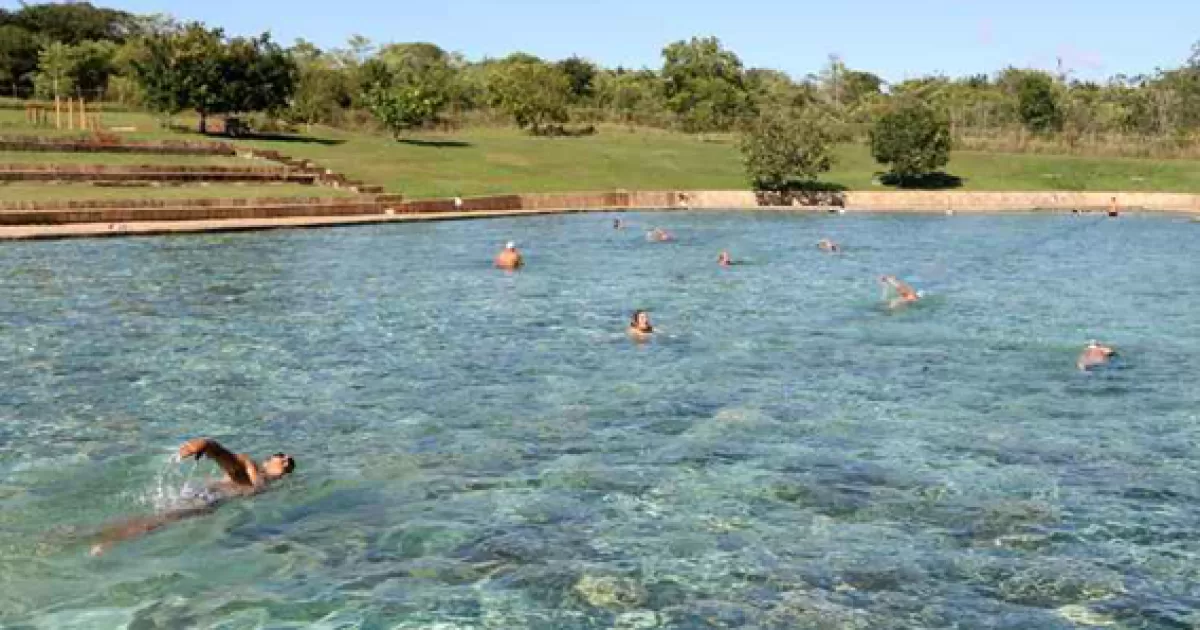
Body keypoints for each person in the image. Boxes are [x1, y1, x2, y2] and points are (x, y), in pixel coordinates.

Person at [90, 439, 296, 555]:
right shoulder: (249, 469)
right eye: (281, 455)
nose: (286, 459)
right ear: (267, 461)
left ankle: (80, 534)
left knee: (153, 519)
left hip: (204, 496)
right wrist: (207, 445)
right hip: (205, 498)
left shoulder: (263, 479)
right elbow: (228, 458)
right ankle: (109, 541)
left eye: (290, 461)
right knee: (157, 521)